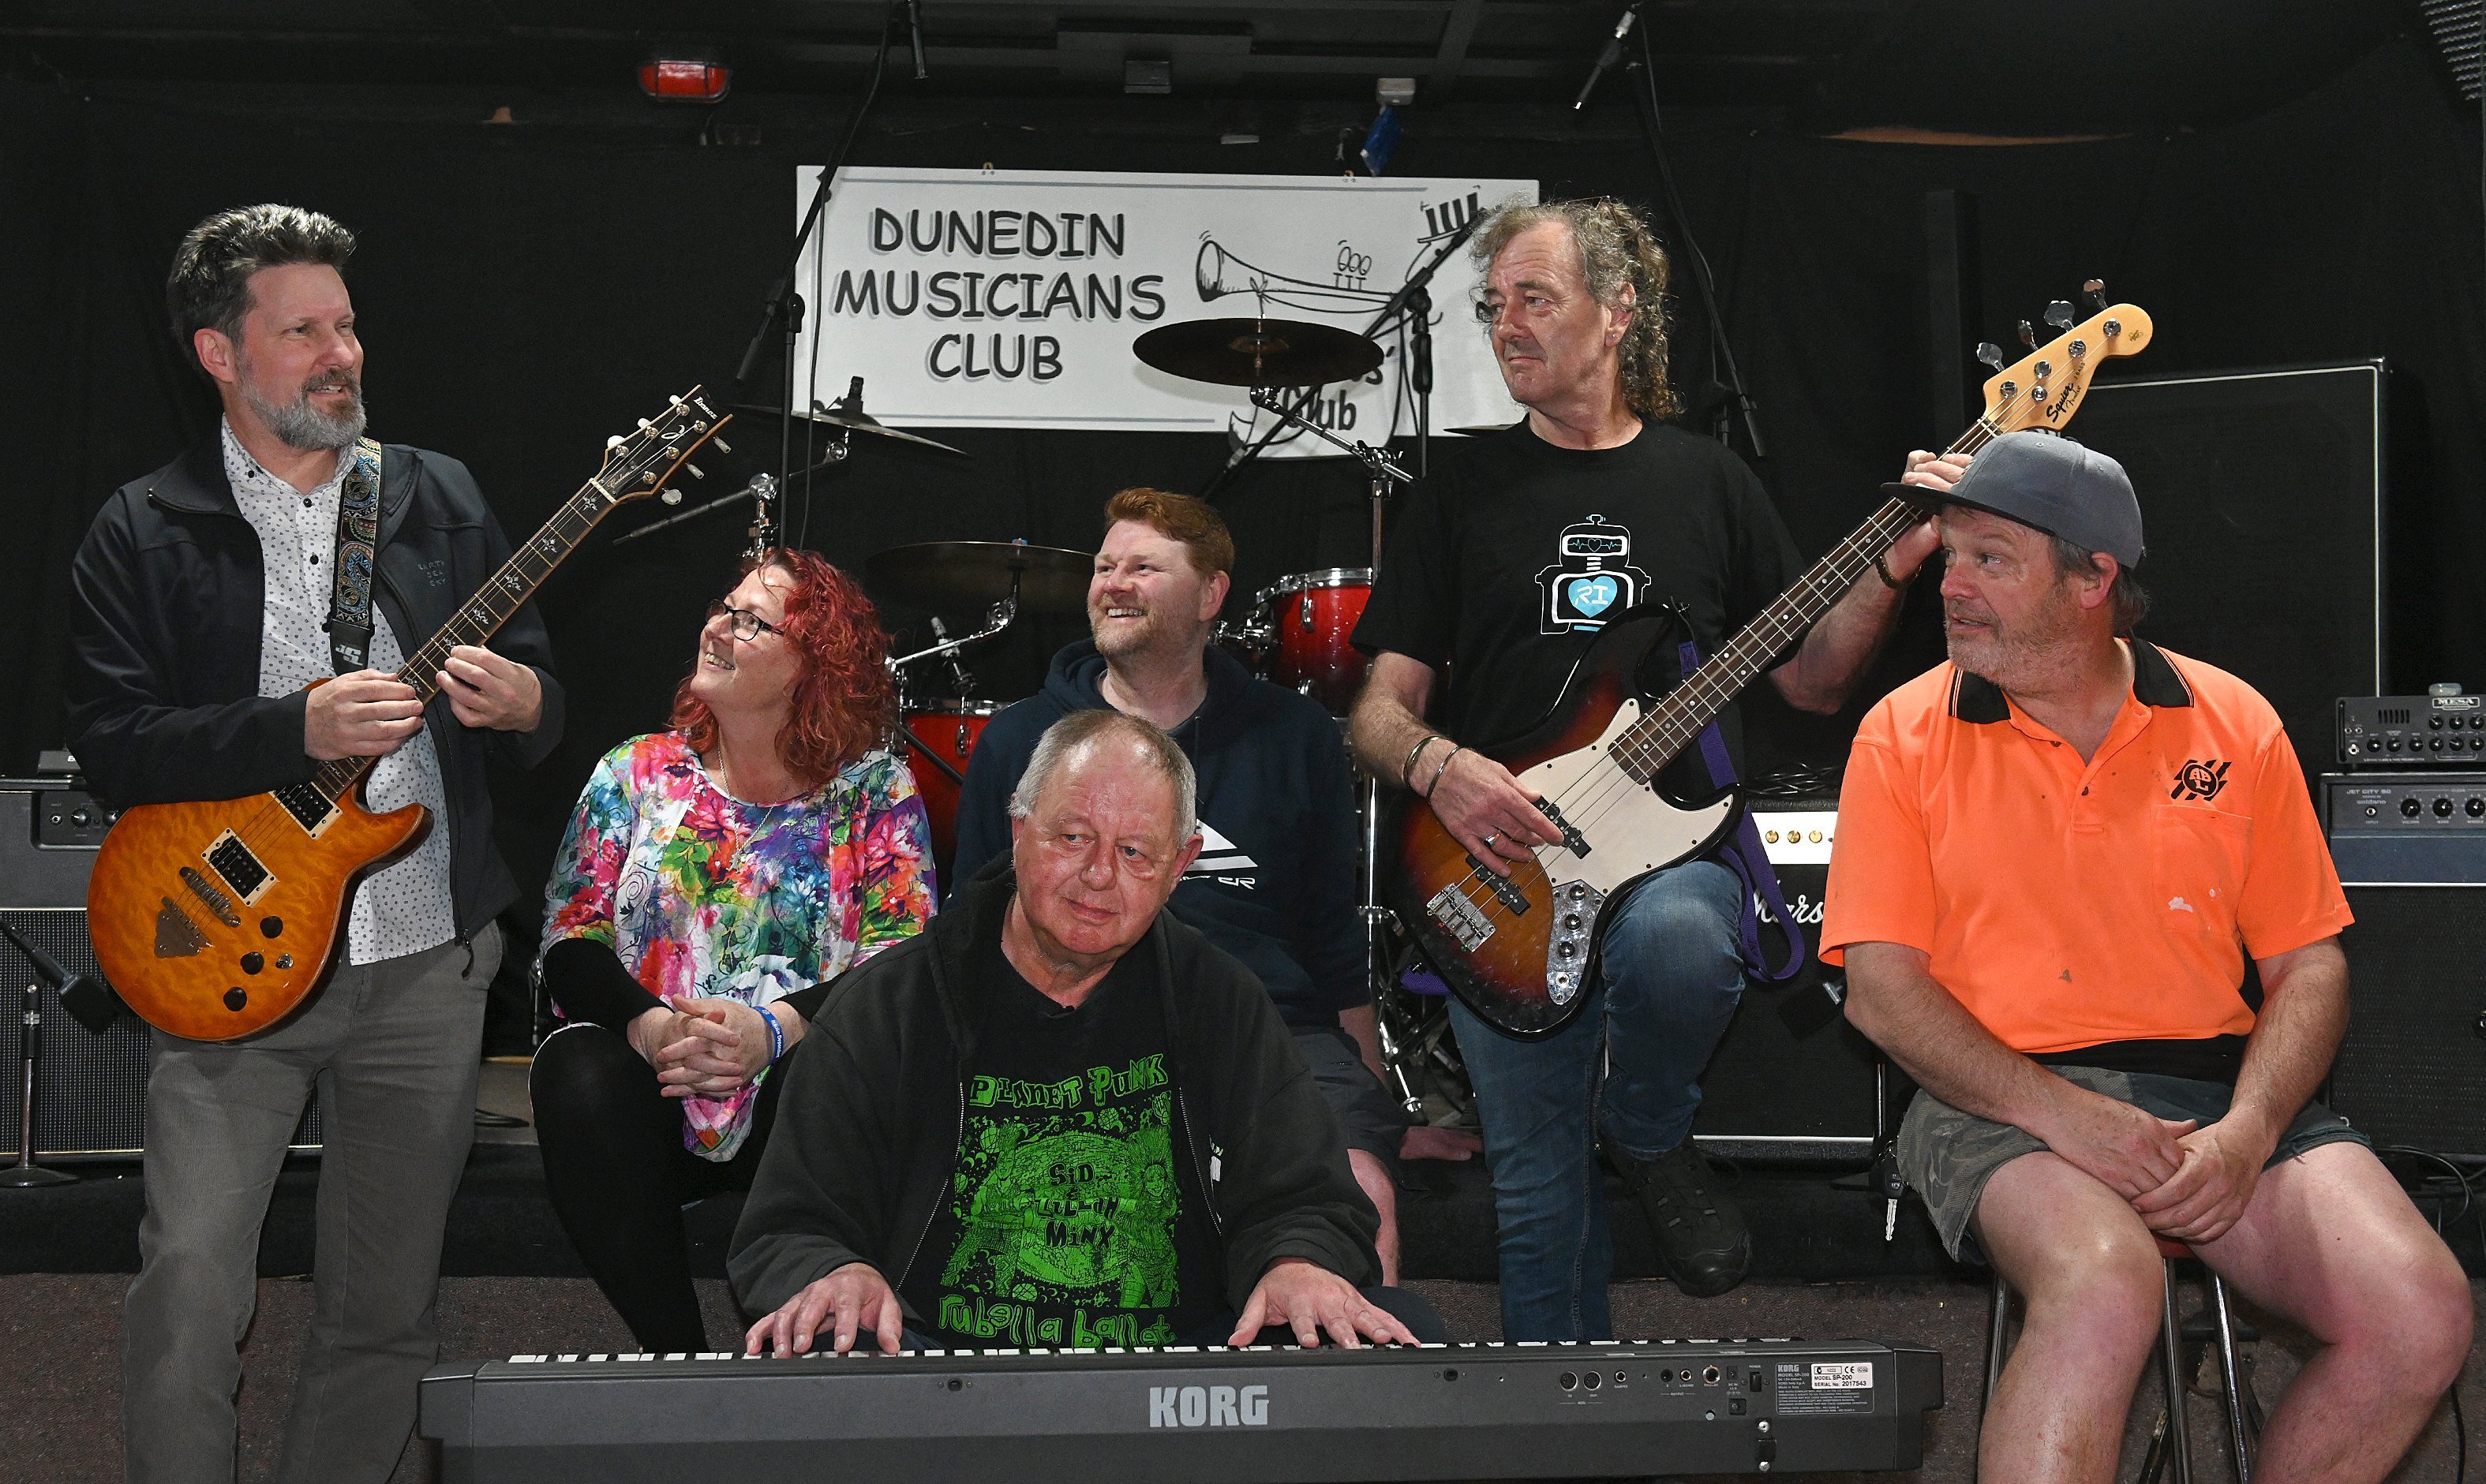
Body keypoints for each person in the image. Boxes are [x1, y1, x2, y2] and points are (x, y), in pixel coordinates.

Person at [1346, 196, 1953, 1338]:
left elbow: (1812, 685)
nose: (1506, 326)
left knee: (1683, 940)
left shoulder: (1707, 483)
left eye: (1535, 298)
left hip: (1669, 847)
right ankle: (1562, 1439)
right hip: (1493, 866)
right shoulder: (1459, 495)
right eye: (1492, 307)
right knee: (1535, 1201)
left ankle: (1648, 1122)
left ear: (1617, 312)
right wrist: (1443, 769)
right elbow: (1375, 715)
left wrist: (1894, 561)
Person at [1825, 430, 2473, 1484]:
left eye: (1990, 559)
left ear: (2092, 580)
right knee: (2105, 1277)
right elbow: (1884, 997)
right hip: (1992, 1100)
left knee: (2419, 1311)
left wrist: (2248, 1131)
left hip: (2212, 1092)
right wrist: (2070, 1117)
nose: (1952, 585)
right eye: (1950, 556)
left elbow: (2309, 967)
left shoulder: (2232, 719)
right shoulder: (1900, 736)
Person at [64, 205, 563, 1484]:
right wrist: (291, 730)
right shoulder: (142, 527)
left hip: (424, 968)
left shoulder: (437, 494)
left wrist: (528, 705)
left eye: (346, 324)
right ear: (220, 354)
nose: (341, 351)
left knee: (385, 1307)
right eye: (303, 330)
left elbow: (544, 696)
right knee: (189, 1286)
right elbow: (115, 742)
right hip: (224, 963)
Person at [734, 709, 1445, 1354]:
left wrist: (1296, 1262)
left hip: (1175, 1380)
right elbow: (790, 1223)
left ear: (1181, 868)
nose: (1100, 875)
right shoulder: (888, 1005)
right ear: (1018, 831)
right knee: (822, 1345)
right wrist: (837, 1270)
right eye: (1072, 837)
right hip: (935, 1375)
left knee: (1402, 1332)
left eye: (1136, 852)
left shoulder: (1221, 1000)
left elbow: (1308, 1198)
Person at [953, 487, 1479, 1285]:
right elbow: (969, 933)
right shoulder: (1023, 737)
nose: (1112, 583)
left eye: (1142, 567)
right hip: (1077, 1030)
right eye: (1104, 566)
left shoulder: (1293, 736)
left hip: (1273, 1034)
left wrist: (1374, 1111)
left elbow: (1334, 947)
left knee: (1360, 1195)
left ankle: (1346, 1404)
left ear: (1211, 594)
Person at [530, 550, 936, 1353]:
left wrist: (772, 1032)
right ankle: (680, 1361)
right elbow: (571, 936)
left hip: (798, 1094)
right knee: (576, 1067)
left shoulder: (873, 791)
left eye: (752, 620)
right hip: (658, 1086)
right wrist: (653, 1031)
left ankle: (796, 1349)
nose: (719, 626)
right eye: (724, 607)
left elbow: (906, 960)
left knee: (845, 1065)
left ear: (811, 668)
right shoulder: (636, 770)